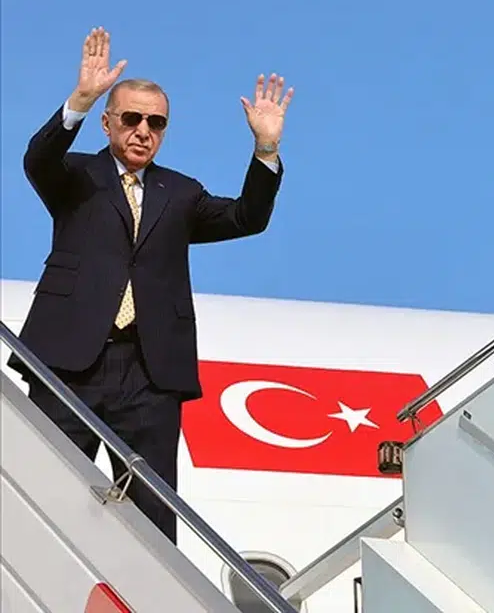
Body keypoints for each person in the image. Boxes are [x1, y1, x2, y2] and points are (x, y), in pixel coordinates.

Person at [9, 26, 293, 543]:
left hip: (149, 372)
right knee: (47, 499)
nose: (143, 130)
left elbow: (247, 217)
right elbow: (37, 160)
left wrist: (266, 148)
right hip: (69, 362)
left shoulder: (180, 193)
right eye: (132, 118)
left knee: (152, 516)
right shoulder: (75, 176)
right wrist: (80, 98)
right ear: (107, 123)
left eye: (156, 122)